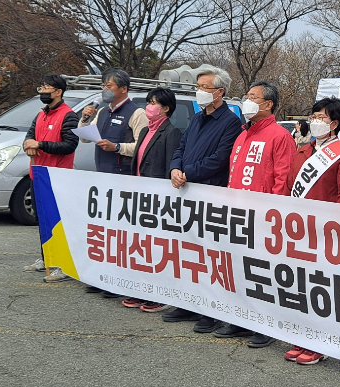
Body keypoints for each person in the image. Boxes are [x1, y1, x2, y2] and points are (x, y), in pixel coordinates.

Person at [213, 80, 295, 348]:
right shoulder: (242, 134)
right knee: (239, 269)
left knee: (263, 273)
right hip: (237, 214)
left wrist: (274, 218)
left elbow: (283, 180)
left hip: (263, 218)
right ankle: (240, 319)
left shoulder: (280, 136)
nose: (247, 101)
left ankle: (265, 325)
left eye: (252, 96)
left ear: (268, 104)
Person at [161, 65, 243, 334]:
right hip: (187, 191)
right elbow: (182, 147)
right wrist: (175, 167)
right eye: (197, 88)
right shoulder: (197, 118)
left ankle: (212, 310)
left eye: (204, 88)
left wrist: (187, 173)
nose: (199, 92)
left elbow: (219, 160)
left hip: (209, 193)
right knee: (187, 252)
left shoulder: (231, 122)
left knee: (211, 255)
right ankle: (189, 302)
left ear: (219, 92)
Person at [282, 97, 340, 365]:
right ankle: (300, 336)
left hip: (324, 233)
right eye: (314, 115)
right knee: (299, 287)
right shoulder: (302, 151)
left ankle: (319, 342)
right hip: (297, 231)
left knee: (321, 289)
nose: (315, 121)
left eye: (322, 117)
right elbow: (289, 187)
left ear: (334, 123)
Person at [79, 68, 148, 297]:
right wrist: (85, 117)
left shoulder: (136, 113)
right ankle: (104, 277)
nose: (105, 89)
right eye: (104, 85)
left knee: (123, 232)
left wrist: (117, 147)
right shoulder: (103, 112)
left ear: (123, 88)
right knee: (106, 231)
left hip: (124, 178)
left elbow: (142, 147)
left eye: (109, 86)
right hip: (103, 178)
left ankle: (121, 280)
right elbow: (83, 137)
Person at [120, 87, 182, 312]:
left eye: (154, 102)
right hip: (139, 196)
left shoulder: (171, 132)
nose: (149, 106)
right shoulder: (145, 130)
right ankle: (142, 289)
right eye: (148, 101)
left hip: (158, 200)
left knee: (158, 249)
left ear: (166, 108)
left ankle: (159, 294)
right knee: (141, 246)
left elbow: (170, 167)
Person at [21, 75, 80, 282]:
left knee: (58, 223)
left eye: (47, 87)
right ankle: (48, 258)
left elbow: (70, 145)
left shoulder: (69, 115)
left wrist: (41, 145)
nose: (43, 91)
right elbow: (29, 137)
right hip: (37, 174)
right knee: (42, 220)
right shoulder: (40, 114)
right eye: (42, 86)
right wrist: (28, 145)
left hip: (57, 177)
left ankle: (64, 265)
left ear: (58, 92)